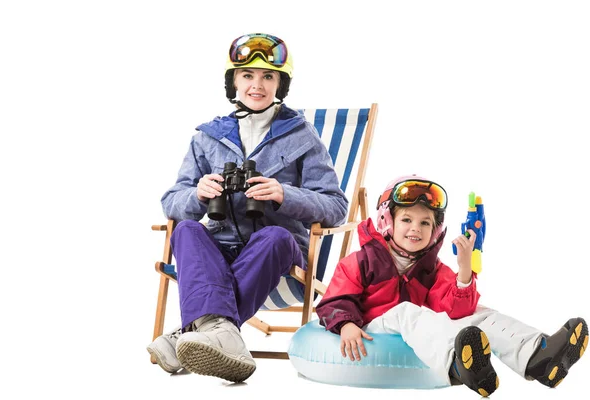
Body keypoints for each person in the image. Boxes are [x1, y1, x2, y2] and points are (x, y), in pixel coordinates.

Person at [146, 33, 348, 382]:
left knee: (273, 236)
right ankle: (224, 335)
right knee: (188, 229)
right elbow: (171, 200)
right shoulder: (207, 137)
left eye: (268, 76)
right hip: (217, 253)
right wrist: (198, 194)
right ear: (234, 81)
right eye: (248, 75)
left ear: (280, 83)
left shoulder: (302, 135)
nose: (258, 85)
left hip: (276, 254)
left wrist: (285, 194)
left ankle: (186, 333)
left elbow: (336, 206)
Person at [316, 175, 587, 396]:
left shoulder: (431, 268)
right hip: (373, 331)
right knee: (406, 311)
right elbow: (334, 299)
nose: (416, 229)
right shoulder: (361, 261)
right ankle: (458, 363)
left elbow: (458, 310)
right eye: (407, 220)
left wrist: (465, 267)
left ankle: (538, 357)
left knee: (478, 312)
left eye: (425, 223)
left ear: (435, 231)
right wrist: (346, 324)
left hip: (422, 334)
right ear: (388, 222)